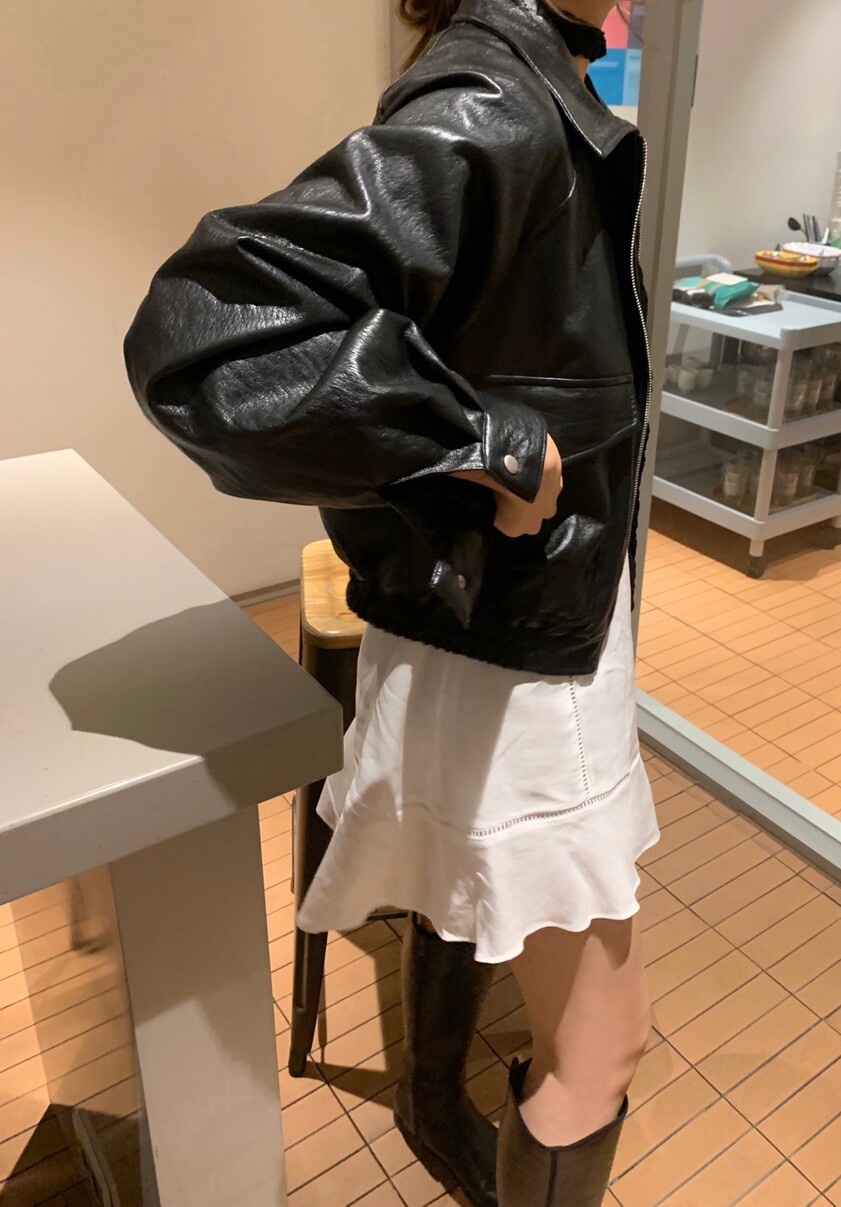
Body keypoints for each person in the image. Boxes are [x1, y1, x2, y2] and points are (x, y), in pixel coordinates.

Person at [123, 1, 659, 1203]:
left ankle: (436, 1099)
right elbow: (204, 335)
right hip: (518, 655)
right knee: (602, 1046)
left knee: (542, 977)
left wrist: (469, 442)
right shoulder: (498, 101)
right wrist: (480, 441)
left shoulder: (524, 86)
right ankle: (448, 1111)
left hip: (533, 621)